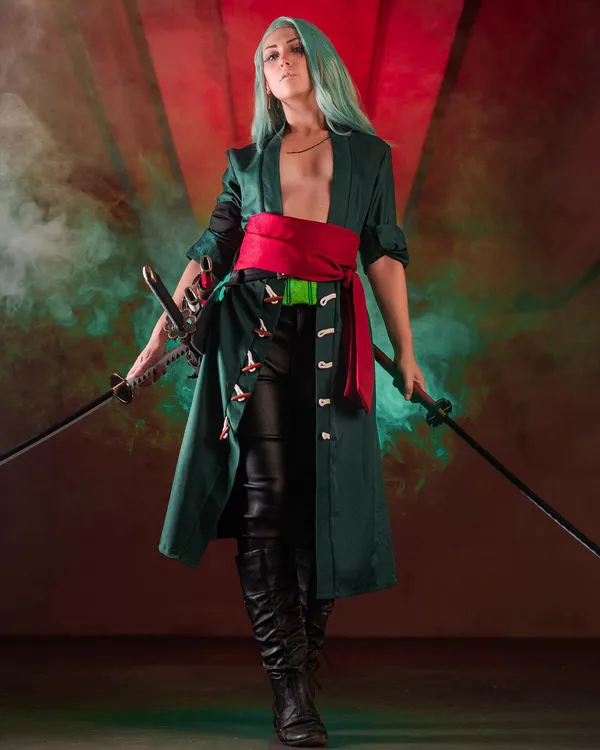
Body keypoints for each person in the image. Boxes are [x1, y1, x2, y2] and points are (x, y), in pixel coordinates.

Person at [127, 16, 425, 748]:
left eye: (294, 50)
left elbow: (383, 255)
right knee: (265, 504)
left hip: (332, 336)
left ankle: (303, 671)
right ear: (262, 77)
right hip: (250, 336)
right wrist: (154, 343)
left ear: (320, 62)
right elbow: (211, 252)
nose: (283, 61)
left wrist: (407, 354)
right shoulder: (247, 162)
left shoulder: (369, 158)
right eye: (270, 55)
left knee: (323, 504)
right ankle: (289, 691)